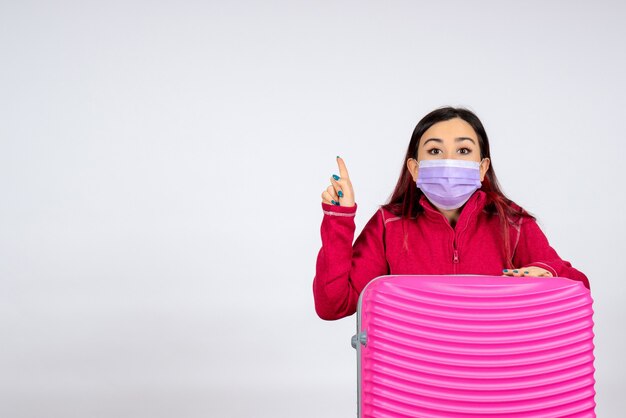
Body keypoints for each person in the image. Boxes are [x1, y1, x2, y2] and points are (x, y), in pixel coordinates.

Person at [313, 106, 590, 321]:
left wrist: (547, 275)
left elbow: (578, 287)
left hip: (494, 377)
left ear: (482, 168)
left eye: (463, 150)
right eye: (434, 150)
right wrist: (340, 218)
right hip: (412, 377)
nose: (448, 161)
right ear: (414, 168)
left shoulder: (513, 223)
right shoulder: (389, 225)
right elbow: (333, 305)